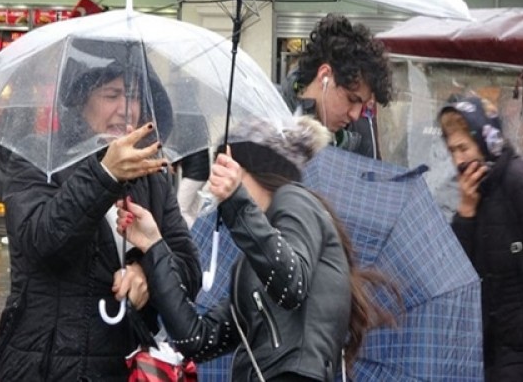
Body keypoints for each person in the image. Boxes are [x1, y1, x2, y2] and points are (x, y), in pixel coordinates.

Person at [117, 117, 393, 381]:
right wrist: (154, 246)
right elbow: (196, 340)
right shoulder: (255, 260)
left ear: (248, 168)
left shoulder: (296, 200)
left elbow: (291, 285)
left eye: (226, 170)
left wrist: (236, 199)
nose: (215, 187)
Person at [0, 46, 201, 382]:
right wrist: (105, 175)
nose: (125, 110)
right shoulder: (35, 157)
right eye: (112, 95)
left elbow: (188, 270)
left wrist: (147, 273)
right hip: (49, 363)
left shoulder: (151, 175)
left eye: (133, 96)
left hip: (127, 364)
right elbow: (41, 242)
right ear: (81, 99)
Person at [438, 95, 523, 382]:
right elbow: (457, 270)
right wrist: (466, 212)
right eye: (452, 151)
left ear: (486, 141)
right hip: (490, 349)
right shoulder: (475, 191)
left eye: (464, 148)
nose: (458, 159)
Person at [280, 13, 393, 160]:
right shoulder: (272, 117)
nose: (354, 115)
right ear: (324, 76)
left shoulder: (362, 133)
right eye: (352, 99)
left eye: (363, 106)